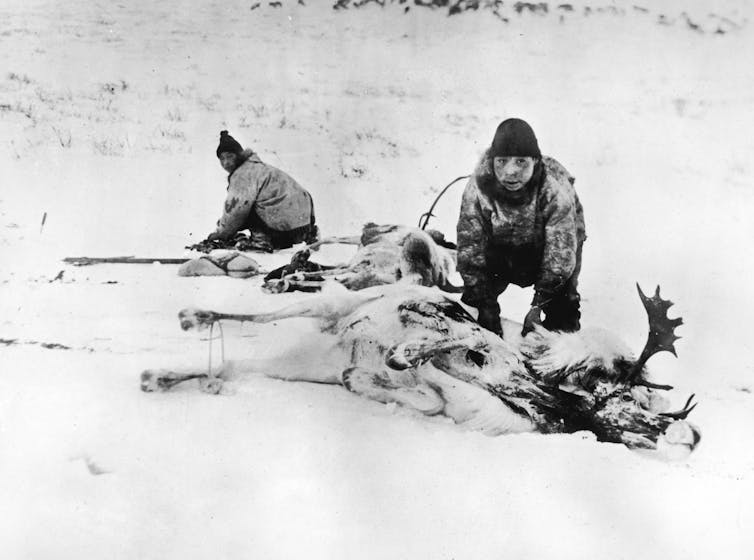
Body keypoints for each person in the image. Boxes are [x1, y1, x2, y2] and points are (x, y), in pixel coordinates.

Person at [456, 118, 586, 337]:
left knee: (564, 310)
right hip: (501, 250)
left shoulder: (554, 192)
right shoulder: (478, 188)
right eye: (502, 161)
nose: (510, 171)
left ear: (535, 161)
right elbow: (470, 248)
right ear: (492, 161)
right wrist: (485, 304)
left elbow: (560, 257)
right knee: (474, 307)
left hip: (548, 250)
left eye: (521, 162)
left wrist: (539, 304)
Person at [205, 130, 318, 251]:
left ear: (239, 155)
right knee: (261, 200)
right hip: (303, 225)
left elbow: (235, 211)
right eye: (222, 159)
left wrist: (221, 233)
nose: (226, 162)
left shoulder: (243, 174)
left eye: (230, 156)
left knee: (246, 206)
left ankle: (261, 241)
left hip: (285, 226)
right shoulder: (260, 168)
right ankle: (306, 235)